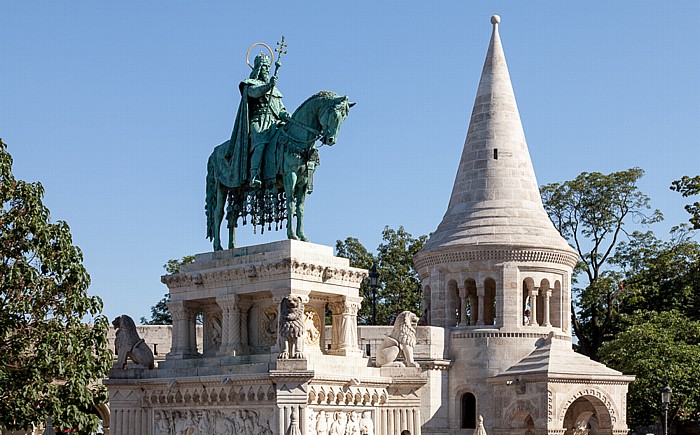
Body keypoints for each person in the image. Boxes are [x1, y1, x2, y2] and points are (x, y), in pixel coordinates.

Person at [227, 53, 291, 188]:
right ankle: (254, 175)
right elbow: (254, 93)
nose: (267, 70)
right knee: (260, 144)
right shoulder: (250, 84)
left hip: (273, 123)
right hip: (258, 121)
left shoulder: (275, 90)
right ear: (258, 68)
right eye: (264, 67)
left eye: (268, 67)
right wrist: (268, 86)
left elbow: (280, 109)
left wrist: (286, 115)